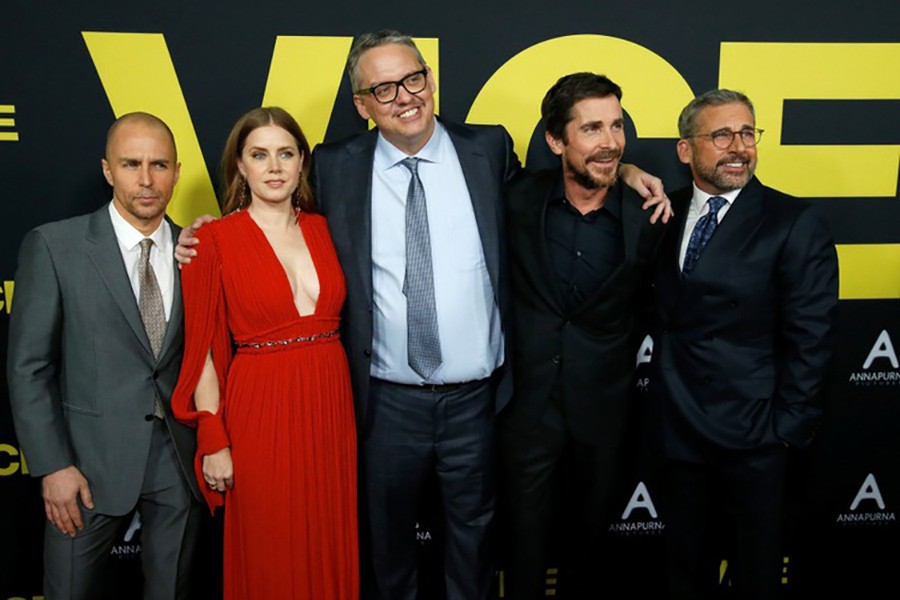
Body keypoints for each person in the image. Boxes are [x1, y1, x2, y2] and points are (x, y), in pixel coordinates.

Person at [177, 30, 665, 600]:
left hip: (478, 400)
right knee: (388, 550)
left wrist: (626, 172)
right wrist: (206, 231)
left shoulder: (488, 149)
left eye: (414, 79)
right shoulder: (337, 166)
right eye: (384, 89)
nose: (405, 96)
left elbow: (562, 182)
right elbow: (271, 218)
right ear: (362, 106)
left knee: (475, 547)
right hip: (385, 401)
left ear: (430, 80)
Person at [648, 89, 839, 599]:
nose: (739, 147)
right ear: (685, 149)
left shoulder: (793, 221)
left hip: (755, 439)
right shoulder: (662, 211)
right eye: (722, 135)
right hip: (678, 433)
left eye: (747, 133)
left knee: (754, 576)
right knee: (684, 570)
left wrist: (783, 432)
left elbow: (812, 337)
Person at [7, 112, 201, 599]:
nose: (146, 179)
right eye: (131, 163)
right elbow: (29, 367)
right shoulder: (55, 246)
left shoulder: (197, 251)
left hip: (178, 462)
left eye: (159, 165)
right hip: (85, 466)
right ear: (107, 169)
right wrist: (53, 466)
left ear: (177, 171)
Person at [169, 107, 358, 599]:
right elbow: (205, 349)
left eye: (285, 153)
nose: (274, 167)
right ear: (240, 166)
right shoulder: (211, 240)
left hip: (330, 406)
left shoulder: (328, 228)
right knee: (271, 545)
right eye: (259, 155)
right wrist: (214, 438)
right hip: (261, 411)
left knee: (328, 539)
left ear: (302, 164)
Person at [499, 73, 668, 599]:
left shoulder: (651, 214)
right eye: (592, 128)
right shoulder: (515, 199)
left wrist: (633, 173)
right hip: (526, 410)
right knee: (522, 550)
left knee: (590, 552)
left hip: (605, 409)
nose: (611, 141)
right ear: (556, 140)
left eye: (617, 127)